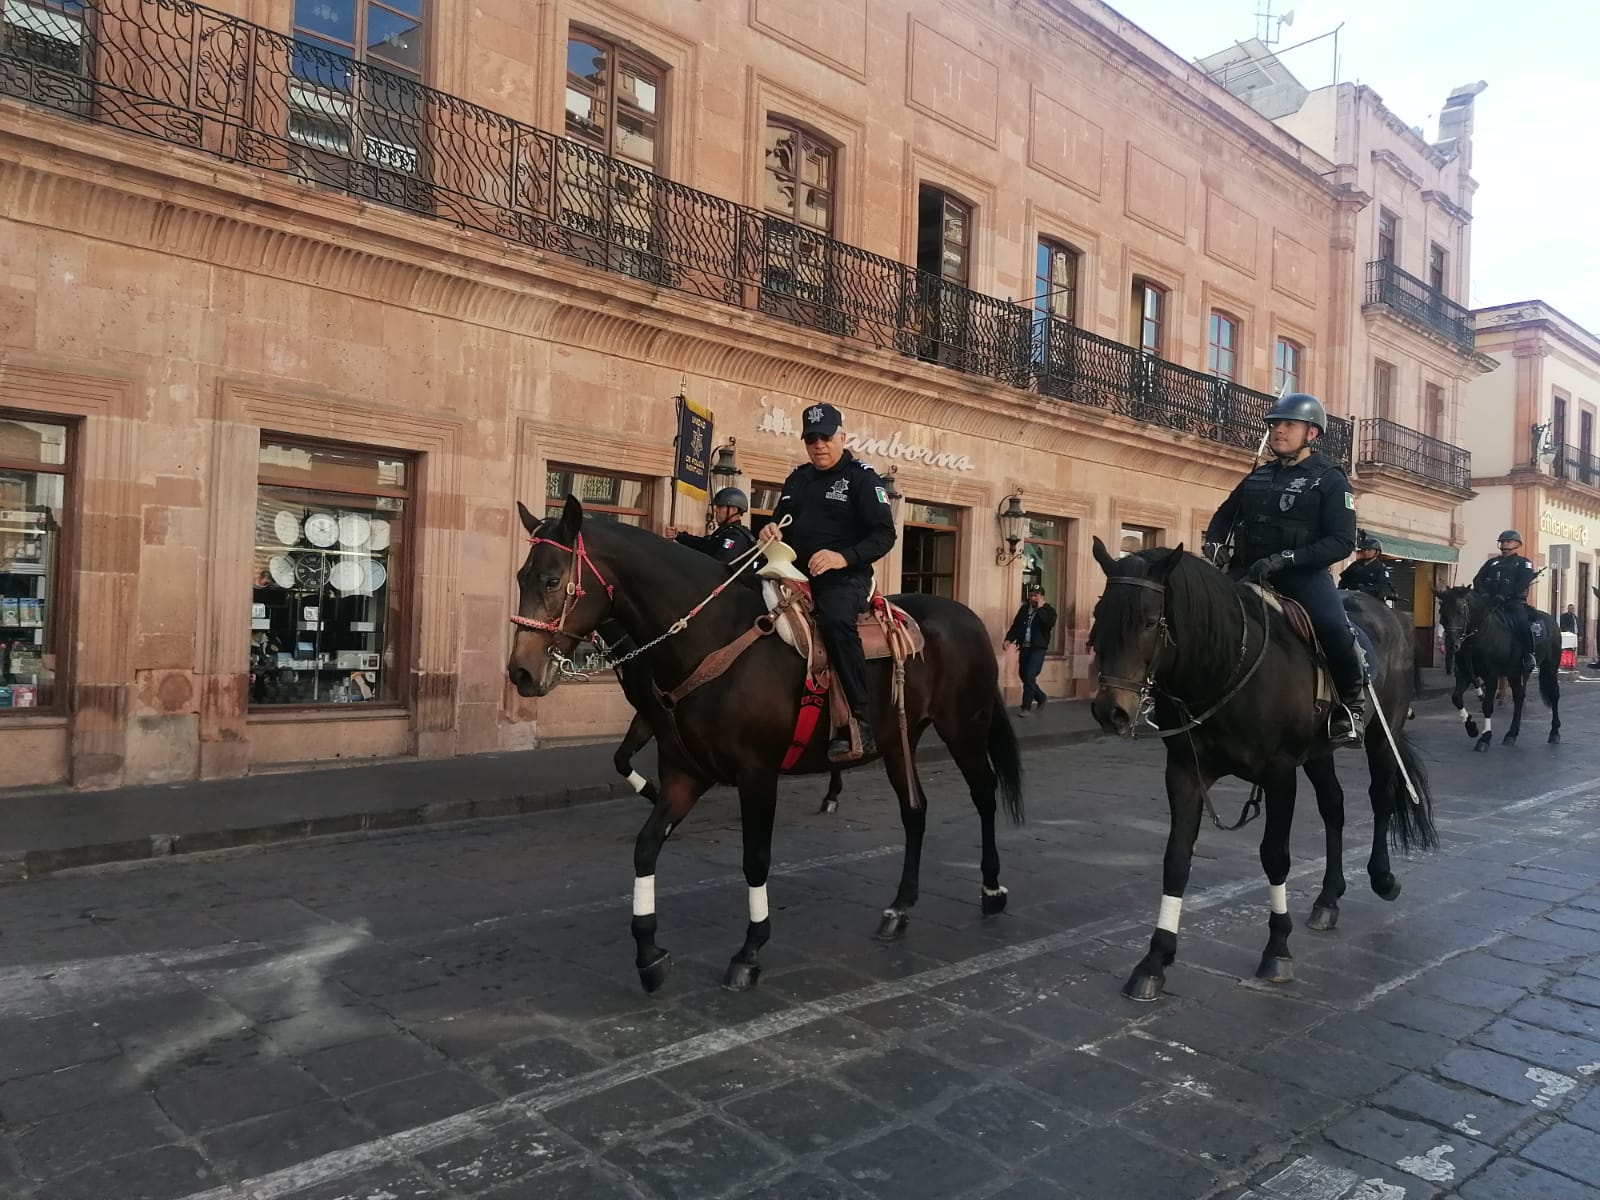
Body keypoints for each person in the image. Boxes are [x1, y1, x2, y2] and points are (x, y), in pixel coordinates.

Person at [1203, 392, 1366, 747]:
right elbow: (1223, 516)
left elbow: (1341, 541)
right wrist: (1214, 542)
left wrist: (1287, 559)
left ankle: (1351, 705)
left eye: (1288, 424)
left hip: (1302, 576)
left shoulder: (1330, 479)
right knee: (1202, 615)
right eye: (1275, 424)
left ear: (1311, 433)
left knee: (1334, 627)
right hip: (1248, 572)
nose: (1278, 431)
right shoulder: (1257, 477)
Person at [760, 402, 897, 759]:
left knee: (836, 621)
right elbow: (781, 522)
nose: (819, 445)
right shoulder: (798, 478)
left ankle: (860, 719)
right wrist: (770, 529)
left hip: (844, 577)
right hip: (792, 572)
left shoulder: (863, 478)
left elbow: (884, 535)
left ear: (842, 436)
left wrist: (842, 557)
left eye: (826, 437)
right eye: (811, 439)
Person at [1471, 530, 1538, 674]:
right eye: (1502, 541)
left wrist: (1505, 595)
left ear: (1517, 544)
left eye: (1508, 541)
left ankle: (1528, 655)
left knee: (1522, 623)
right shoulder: (1491, 562)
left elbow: (1523, 582)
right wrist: (1484, 594)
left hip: (1513, 603)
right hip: (1490, 602)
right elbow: (1477, 580)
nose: (1504, 544)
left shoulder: (1523, 563)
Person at [667, 487, 757, 567]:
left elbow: (719, 564)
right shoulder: (724, 532)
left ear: (734, 509)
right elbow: (703, 544)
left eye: (720, 507)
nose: (715, 510)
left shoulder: (736, 537)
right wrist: (678, 536)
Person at [1005, 584, 1057, 717]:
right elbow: (1016, 626)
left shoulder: (1048, 610)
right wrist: (1009, 639)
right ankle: (1040, 697)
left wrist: (1040, 609)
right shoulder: (1024, 609)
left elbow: (1048, 624)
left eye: (1035, 596)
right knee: (1023, 675)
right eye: (1031, 595)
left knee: (1029, 676)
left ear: (1041, 596)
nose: (1032, 598)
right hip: (1024, 647)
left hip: (1038, 648)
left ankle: (1026, 708)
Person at [1339, 534, 1399, 605]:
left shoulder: (1380, 567)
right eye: (1364, 549)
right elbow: (1344, 579)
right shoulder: (1355, 564)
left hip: (1372, 600)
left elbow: (1381, 587)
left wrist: (1363, 590)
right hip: (1351, 596)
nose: (1365, 552)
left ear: (1377, 552)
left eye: (1369, 550)